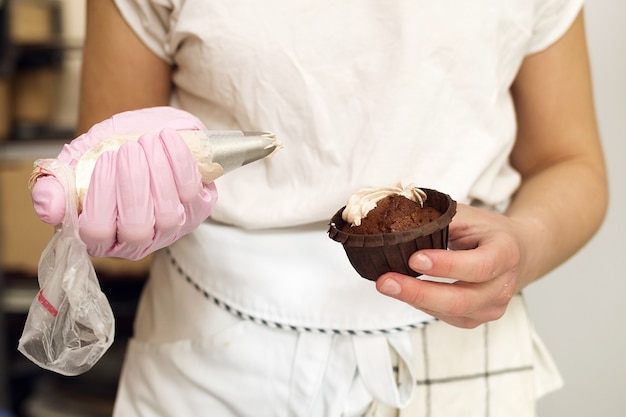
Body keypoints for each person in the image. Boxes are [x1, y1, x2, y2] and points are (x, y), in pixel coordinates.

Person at [30, 0, 608, 416]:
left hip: (459, 352)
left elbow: (569, 160)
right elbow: (108, 183)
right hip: (217, 358)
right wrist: (109, 197)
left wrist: (524, 245)